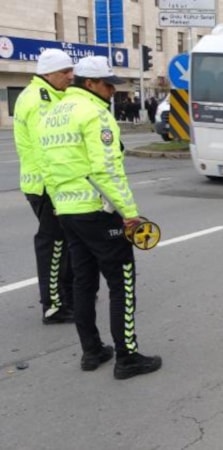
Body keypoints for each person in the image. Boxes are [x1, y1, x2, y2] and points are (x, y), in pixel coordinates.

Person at [40, 56, 162, 379]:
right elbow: (106, 169)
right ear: (89, 83)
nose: (112, 90)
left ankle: (92, 351)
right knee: (121, 282)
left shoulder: (53, 113)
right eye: (108, 84)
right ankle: (127, 357)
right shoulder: (96, 114)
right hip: (99, 211)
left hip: (68, 211)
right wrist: (130, 213)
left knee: (83, 282)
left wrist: (58, 203)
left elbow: (46, 166)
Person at [13, 48, 76, 324]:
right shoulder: (37, 100)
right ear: (48, 73)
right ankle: (52, 305)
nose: (70, 76)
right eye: (65, 72)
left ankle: (68, 294)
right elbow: (46, 148)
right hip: (45, 185)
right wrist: (55, 190)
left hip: (56, 183)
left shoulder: (52, 94)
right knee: (53, 244)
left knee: (67, 241)